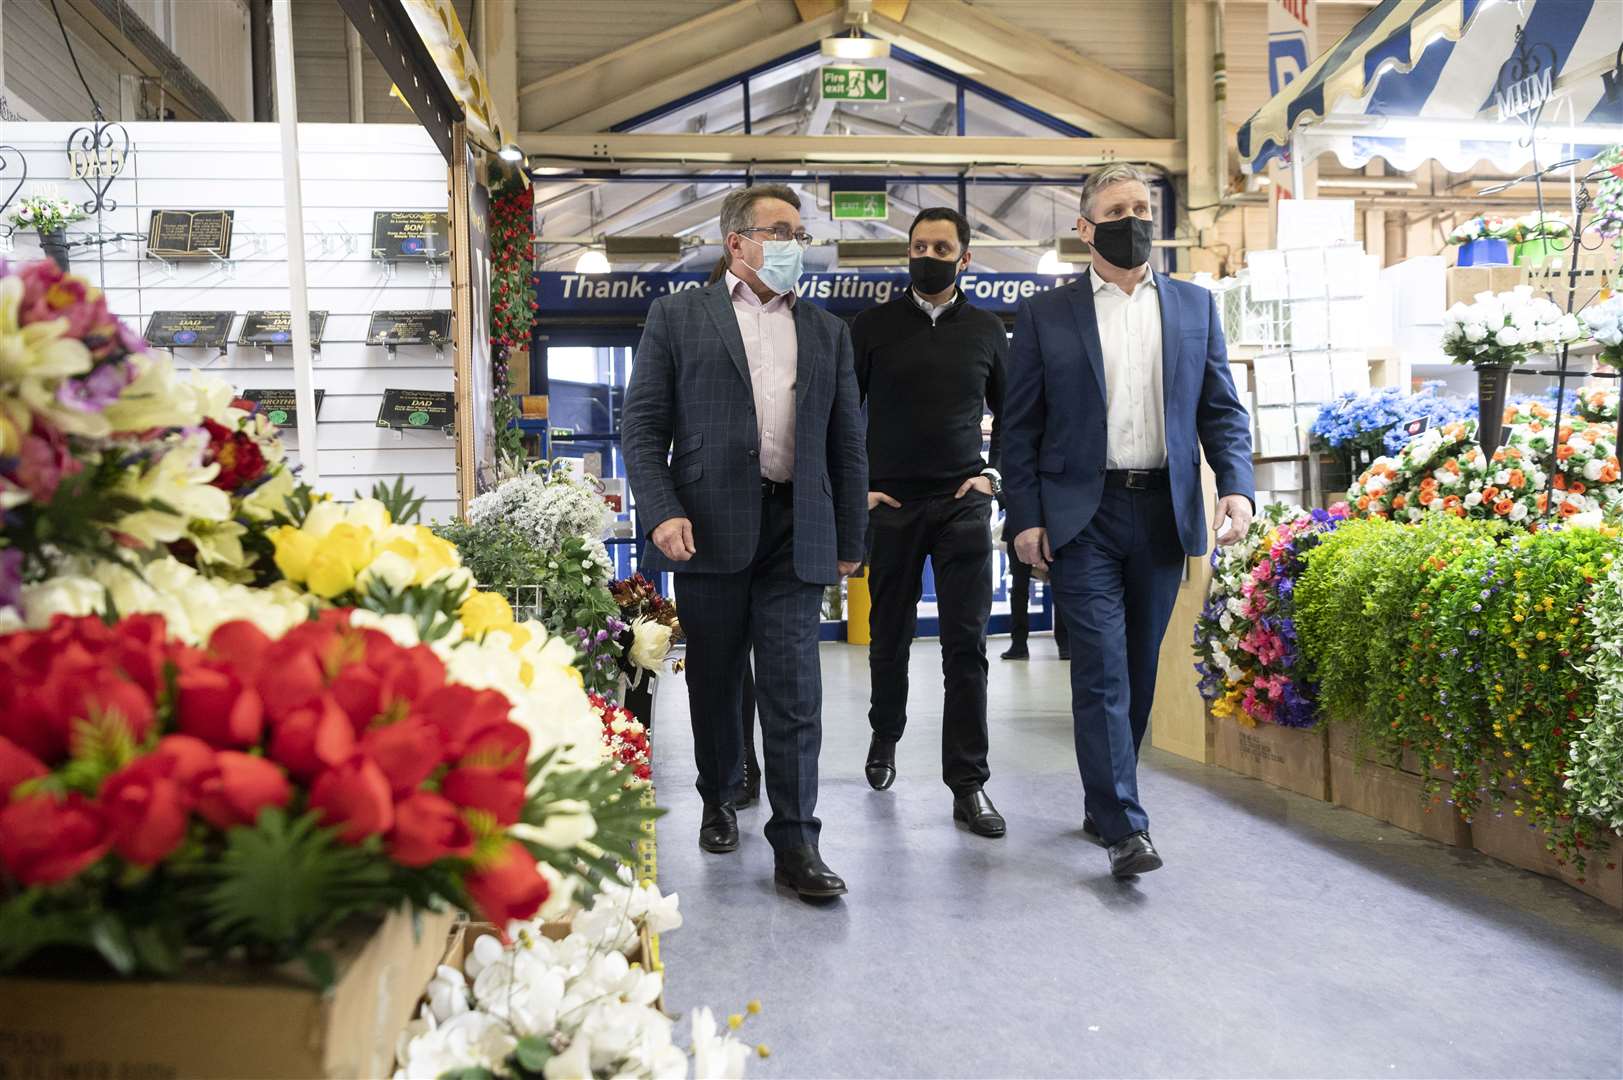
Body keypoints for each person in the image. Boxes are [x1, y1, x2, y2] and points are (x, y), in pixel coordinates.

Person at [1002, 163, 1254, 879]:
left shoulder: (1193, 307)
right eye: (1117, 209)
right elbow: (1017, 430)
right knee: (1103, 673)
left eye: (1143, 206)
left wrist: (1234, 486)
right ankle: (1124, 826)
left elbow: (1219, 409)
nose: (1135, 218)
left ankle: (1103, 796)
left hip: (1163, 511)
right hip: (1083, 513)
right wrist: (1023, 517)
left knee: (1139, 672)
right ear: (1085, 228)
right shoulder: (1045, 314)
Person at [622, 184, 867, 901]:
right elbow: (641, 429)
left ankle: (796, 841)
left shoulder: (826, 331)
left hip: (798, 530)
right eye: (781, 231)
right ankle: (717, 796)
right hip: (706, 529)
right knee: (717, 681)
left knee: (794, 690)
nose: (796, 244)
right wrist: (661, 510)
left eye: (800, 232)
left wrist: (850, 536)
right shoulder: (677, 317)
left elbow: (847, 443)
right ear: (738, 242)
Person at [851, 207, 1009, 838]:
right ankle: (885, 736)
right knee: (887, 638)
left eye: (942, 247)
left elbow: (1016, 414)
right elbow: (842, 413)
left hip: (961, 503)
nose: (929, 255)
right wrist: (859, 487)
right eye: (919, 246)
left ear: (964, 258)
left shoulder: (988, 329)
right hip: (890, 506)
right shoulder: (871, 327)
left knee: (965, 646)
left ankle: (968, 786)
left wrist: (992, 477)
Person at [1001, 538, 1069, 661]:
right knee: (1059, 586)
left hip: (1020, 531)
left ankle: (1019, 644)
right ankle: (1064, 645)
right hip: (1047, 529)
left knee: (1019, 590)